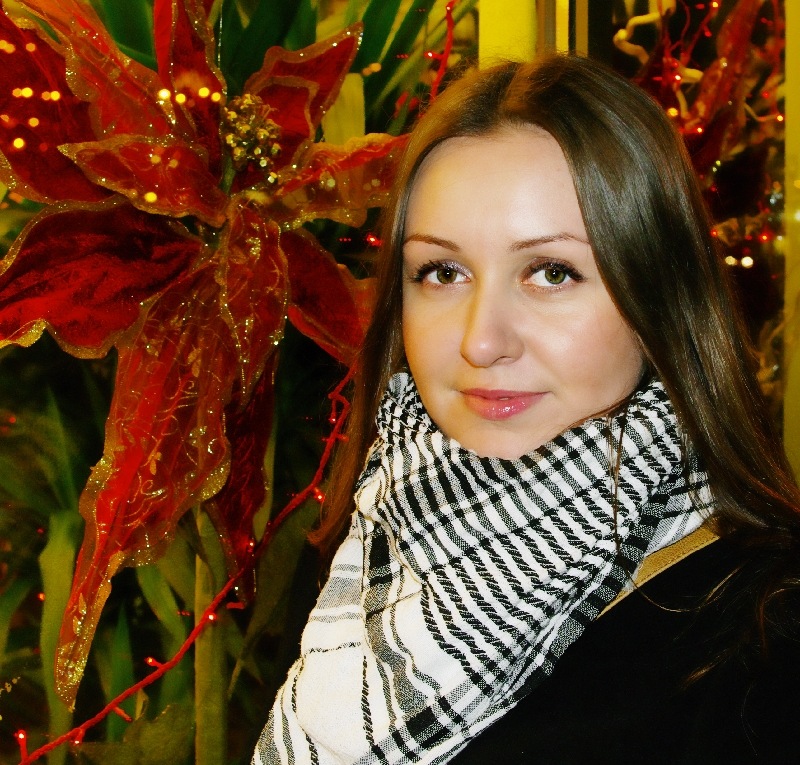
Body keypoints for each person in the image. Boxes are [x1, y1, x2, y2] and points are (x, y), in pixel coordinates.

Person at [253, 54, 800, 764]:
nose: (482, 341)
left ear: (660, 300)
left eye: (552, 272)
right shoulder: (358, 558)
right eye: (442, 271)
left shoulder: (767, 629)